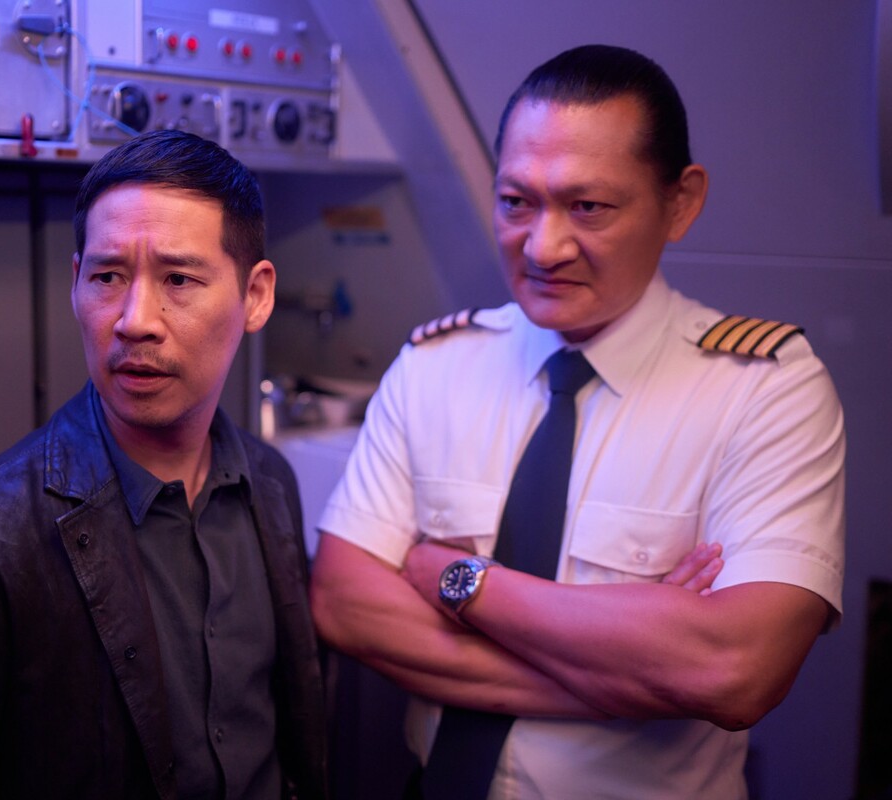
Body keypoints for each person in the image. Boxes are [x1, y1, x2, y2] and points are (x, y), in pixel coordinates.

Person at [310, 44, 844, 799]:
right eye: (515, 202)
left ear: (681, 203)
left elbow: (736, 669)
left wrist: (461, 583)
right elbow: (343, 602)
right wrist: (624, 677)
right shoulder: (436, 366)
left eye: (588, 207)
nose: (543, 246)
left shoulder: (764, 390)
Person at [0, 129, 328, 799]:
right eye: (108, 277)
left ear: (255, 296)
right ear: (76, 283)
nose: (135, 320)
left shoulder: (269, 482)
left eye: (178, 279)